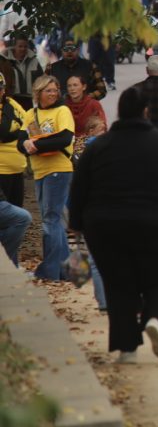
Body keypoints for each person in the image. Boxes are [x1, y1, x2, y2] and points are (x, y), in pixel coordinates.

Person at [69, 87, 158, 363]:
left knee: (119, 284)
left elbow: (79, 189)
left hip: (107, 226)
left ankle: (127, 350)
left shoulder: (99, 147)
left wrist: (77, 223)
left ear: (119, 113)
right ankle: (155, 318)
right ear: (145, 112)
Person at [17, 75, 75, 280]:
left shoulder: (63, 111)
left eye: (55, 90)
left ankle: (49, 271)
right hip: (40, 171)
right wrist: (26, 144)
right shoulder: (30, 114)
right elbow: (21, 140)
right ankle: (69, 270)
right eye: (48, 90)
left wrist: (36, 145)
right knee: (53, 220)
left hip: (58, 169)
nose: (53, 93)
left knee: (51, 220)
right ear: (38, 93)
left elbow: (65, 138)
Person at [0, 72, 29, 208]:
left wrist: (18, 133)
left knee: (17, 213)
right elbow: (3, 134)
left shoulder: (11, 103)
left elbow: (29, 124)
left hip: (18, 168)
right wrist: (19, 133)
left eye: (0, 88)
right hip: (2, 170)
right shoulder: (8, 105)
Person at [1, 35, 42, 109]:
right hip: (11, 98)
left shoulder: (34, 61)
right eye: (20, 46)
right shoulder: (3, 61)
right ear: (15, 47)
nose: (23, 49)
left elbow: (41, 80)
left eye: (25, 46)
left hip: (29, 99)